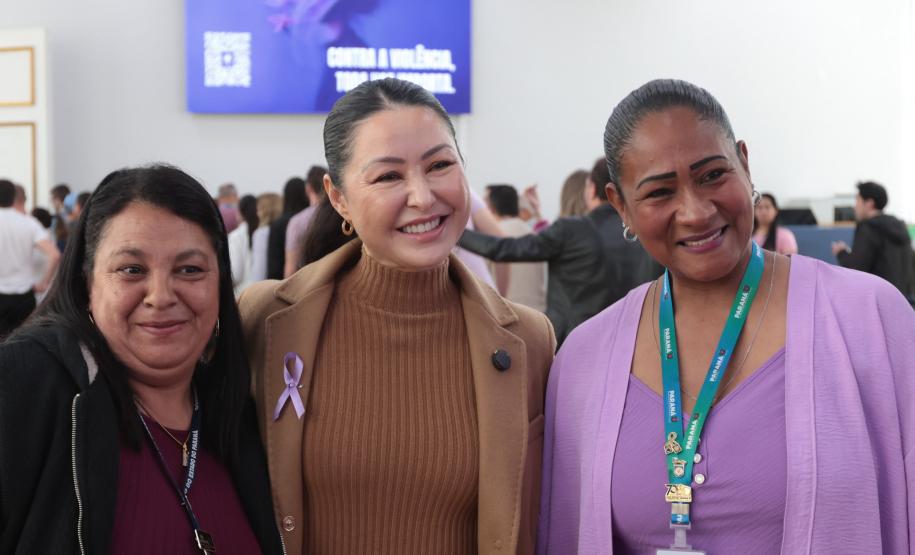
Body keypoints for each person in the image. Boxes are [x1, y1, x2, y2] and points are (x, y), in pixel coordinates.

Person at [537, 79, 915, 554]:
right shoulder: (584, 361)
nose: (695, 211)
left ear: (744, 162)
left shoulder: (869, 320)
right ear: (620, 206)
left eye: (713, 175)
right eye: (659, 192)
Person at [239, 78, 555, 555]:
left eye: (440, 165)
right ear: (339, 197)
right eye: (389, 176)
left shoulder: (527, 340)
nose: (423, 197)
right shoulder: (263, 320)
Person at [0, 165, 283, 553]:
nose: (161, 295)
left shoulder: (244, 412)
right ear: (87, 285)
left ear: (220, 282)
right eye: (131, 270)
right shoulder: (25, 385)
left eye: (189, 269)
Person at [459, 157, 660, 345]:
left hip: (572, 342)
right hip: (628, 343)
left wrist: (458, 233)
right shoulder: (643, 234)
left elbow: (503, 249)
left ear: (590, 190)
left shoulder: (571, 230)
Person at [0, 180, 60, 338]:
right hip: (24, 296)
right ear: (14, 197)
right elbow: (54, 254)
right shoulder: (28, 223)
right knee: (21, 344)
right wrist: (44, 283)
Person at [831, 181, 913, 296]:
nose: (855, 207)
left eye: (858, 201)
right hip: (904, 301)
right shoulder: (900, 226)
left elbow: (856, 269)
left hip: (879, 301)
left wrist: (841, 252)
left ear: (869, 203)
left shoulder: (868, 228)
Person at [485, 184, 547, 312]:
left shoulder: (491, 240)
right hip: (540, 317)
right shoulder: (535, 236)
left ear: (491, 208)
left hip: (506, 317)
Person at [283, 166, 326, 278]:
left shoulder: (297, 221)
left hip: (307, 284)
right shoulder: (341, 215)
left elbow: (290, 267)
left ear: (308, 188)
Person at [267, 177, 309, 280]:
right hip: (309, 280)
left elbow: (274, 265)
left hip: (284, 284)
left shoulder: (278, 224)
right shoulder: (311, 219)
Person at [228, 194, 259, 295]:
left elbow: (235, 274)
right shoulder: (263, 231)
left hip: (242, 295)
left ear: (240, 212)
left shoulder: (236, 236)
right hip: (262, 292)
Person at [250, 192, 283, 282]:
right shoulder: (286, 228)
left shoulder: (261, 233)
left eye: (259, 209)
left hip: (267, 287)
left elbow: (259, 270)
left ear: (264, 210)